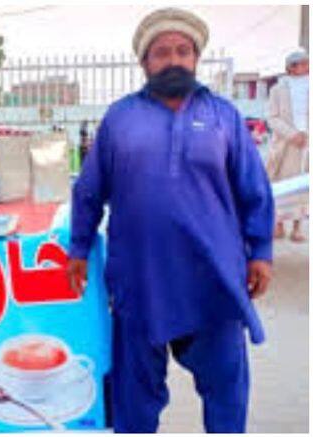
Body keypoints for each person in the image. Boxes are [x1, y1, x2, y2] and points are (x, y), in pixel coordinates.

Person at [67, 8, 274, 433]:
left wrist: (262, 252)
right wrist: (79, 247)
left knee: (226, 394)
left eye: (183, 51)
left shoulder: (224, 116)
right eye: (161, 53)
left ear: (197, 59)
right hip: (141, 280)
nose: (174, 60)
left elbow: (254, 189)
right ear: (144, 63)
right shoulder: (120, 118)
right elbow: (89, 189)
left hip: (214, 279)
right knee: (134, 400)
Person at [266, 49, 309, 242]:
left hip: (308, 146)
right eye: (297, 64)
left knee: (304, 188)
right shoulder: (278, 89)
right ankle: (279, 224)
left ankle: (298, 228)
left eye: (305, 63)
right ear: (289, 68)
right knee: (282, 187)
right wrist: (292, 135)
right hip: (285, 145)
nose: (301, 67)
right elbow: (272, 118)